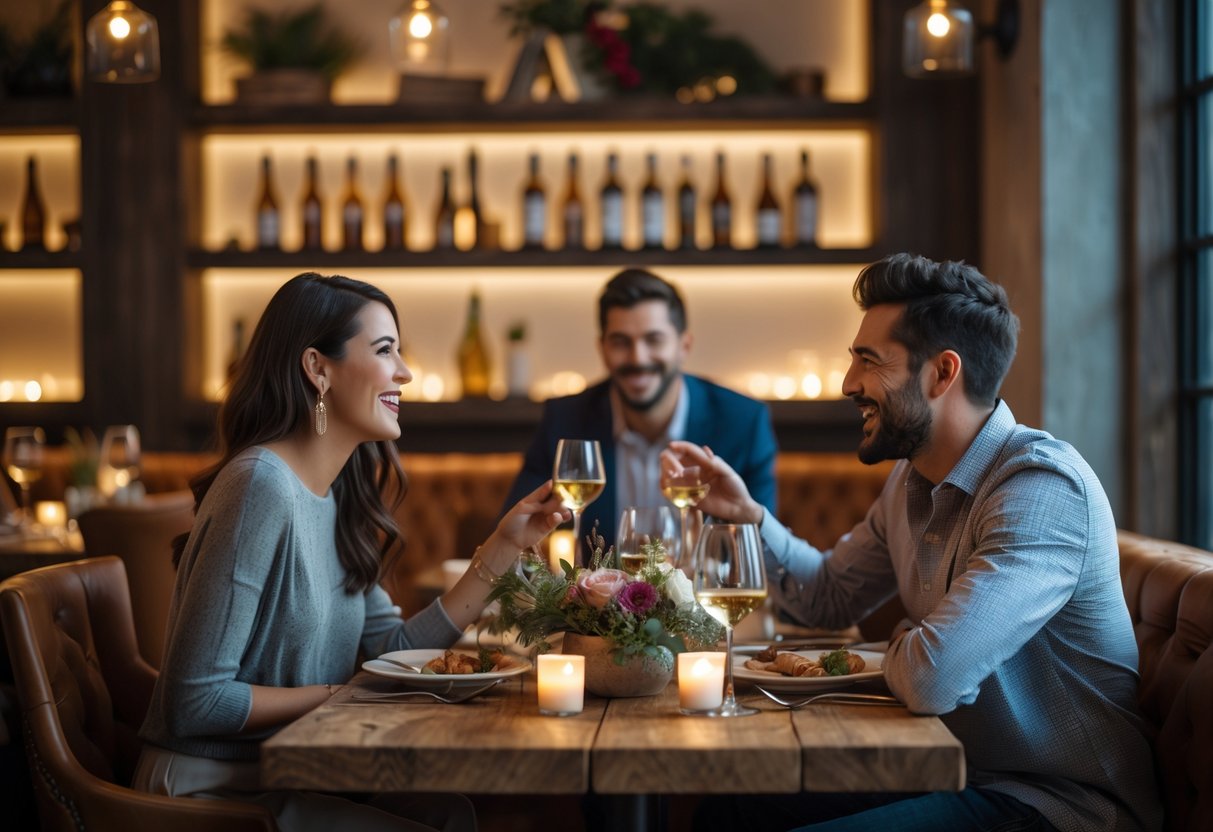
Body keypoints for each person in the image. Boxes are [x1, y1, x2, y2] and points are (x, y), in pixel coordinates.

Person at [666, 253, 1162, 832]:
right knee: (727, 812)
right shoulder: (912, 476)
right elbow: (827, 598)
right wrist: (747, 515)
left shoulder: (1041, 489)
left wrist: (906, 640)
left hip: (1058, 802)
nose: (849, 383)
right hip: (958, 772)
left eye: (868, 361)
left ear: (941, 373)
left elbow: (932, 677)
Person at [135, 273, 571, 832]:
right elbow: (194, 703)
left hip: (281, 775)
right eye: (386, 350)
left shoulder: (338, 491)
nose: (406, 373)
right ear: (318, 368)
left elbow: (388, 649)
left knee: (451, 812)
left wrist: (502, 550)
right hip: (203, 794)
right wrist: (340, 694)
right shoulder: (260, 485)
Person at [500, 267, 777, 549]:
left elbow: (764, 553)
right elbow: (512, 539)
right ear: (602, 348)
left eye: (653, 340)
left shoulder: (743, 423)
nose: (638, 357)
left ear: (684, 345)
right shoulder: (565, 420)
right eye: (621, 342)